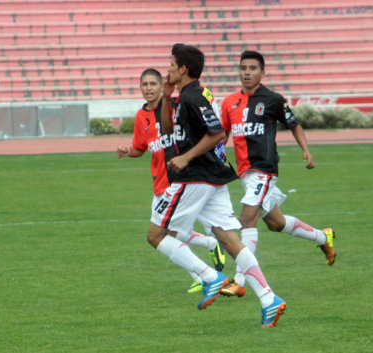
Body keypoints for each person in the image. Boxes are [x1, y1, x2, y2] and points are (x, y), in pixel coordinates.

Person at [152, 43, 286, 327]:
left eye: (172, 64)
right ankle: (269, 298)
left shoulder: (194, 97)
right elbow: (166, 130)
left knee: (157, 235)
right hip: (213, 178)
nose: (169, 68)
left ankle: (210, 277)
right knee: (229, 240)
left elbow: (216, 134)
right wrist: (166, 98)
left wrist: (186, 158)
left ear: (183, 69)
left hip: (195, 178)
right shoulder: (187, 95)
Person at [219, 50, 336, 297]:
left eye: (252, 68)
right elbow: (222, 134)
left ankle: (240, 281)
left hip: (264, 170)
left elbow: (294, 124)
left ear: (263, 72)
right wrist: (216, 155)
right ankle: (323, 237)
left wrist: (306, 151)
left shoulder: (273, 99)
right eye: (243, 68)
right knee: (276, 223)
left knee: (247, 220)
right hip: (245, 174)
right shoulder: (229, 102)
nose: (247, 73)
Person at [117, 68, 226, 294]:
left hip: (179, 180)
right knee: (169, 234)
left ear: (160, 86)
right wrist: (129, 151)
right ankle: (209, 252)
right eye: (144, 84)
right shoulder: (141, 117)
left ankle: (204, 275)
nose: (148, 88)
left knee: (164, 235)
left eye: (152, 84)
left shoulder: (176, 107)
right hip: (160, 182)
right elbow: (141, 148)